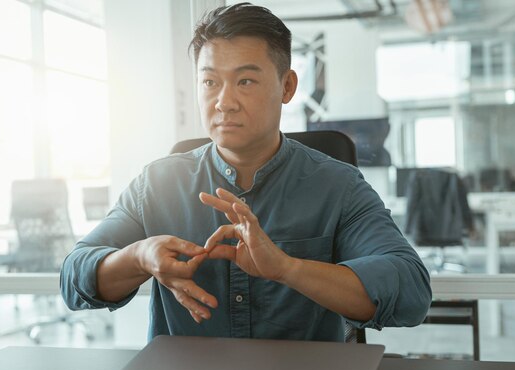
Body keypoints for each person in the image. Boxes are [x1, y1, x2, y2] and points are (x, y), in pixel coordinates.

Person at [60, 2, 431, 342]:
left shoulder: (338, 186)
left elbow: (411, 290)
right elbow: (74, 278)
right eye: (210, 82)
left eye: (245, 81)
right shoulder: (157, 184)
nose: (224, 101)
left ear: (287, 86)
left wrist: (287, 268)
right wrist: (137, 257)